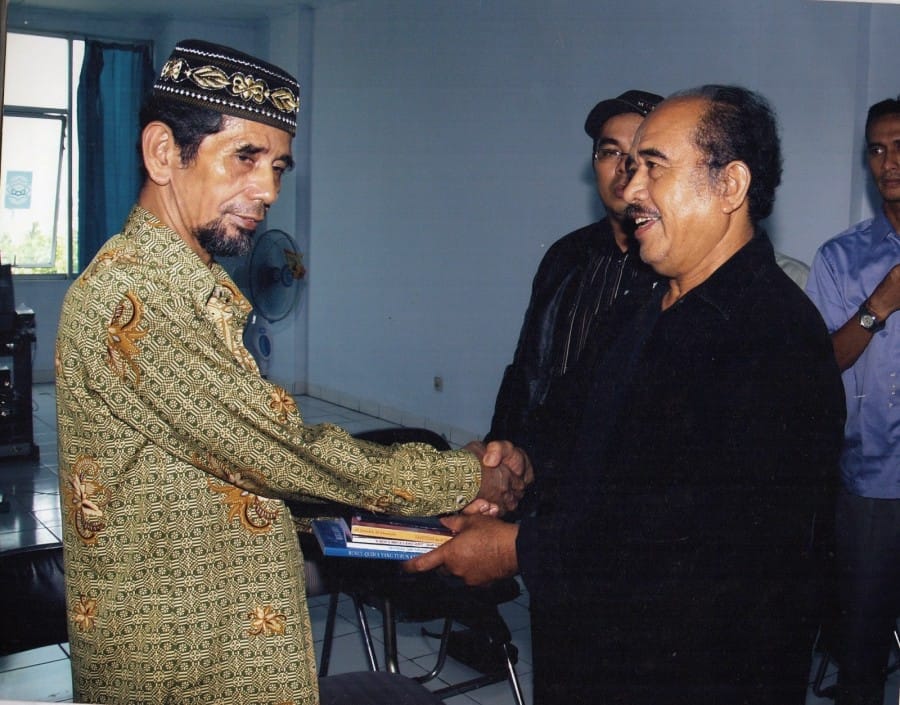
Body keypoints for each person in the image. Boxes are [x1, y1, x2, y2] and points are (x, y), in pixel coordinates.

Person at [55, 39, 531, 705]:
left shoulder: (191, 291)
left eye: (278, 166)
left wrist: (425, 517)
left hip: (230, 651)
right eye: (245, 157)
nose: (269, 191)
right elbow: (282, 455)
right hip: (183, 673)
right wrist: (465, 476)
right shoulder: (132, 302)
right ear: (162, 152)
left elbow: (236, 486)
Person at [408, 85, 846, 704]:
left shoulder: (777, 336)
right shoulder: (640, 306)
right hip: (590, 653)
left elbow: (707, 537)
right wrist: (522, 462)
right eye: (629, 165)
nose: (630, 187)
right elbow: (574, 424)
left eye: (654, 166)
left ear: (729, 185)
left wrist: (519, 550)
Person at [486, 89, 663, 510]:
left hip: (615, 492)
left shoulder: (670, 270)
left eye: (642, 155)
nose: (624, 167)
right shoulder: (566, 256)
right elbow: (526, 369)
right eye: (610, 152)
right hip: (537, 470)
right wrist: (500, 461)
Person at [805, 95, 900, 705]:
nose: (890, 162)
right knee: (862, 653)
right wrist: (879, 305)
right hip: (874, 480)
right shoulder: (842, 258)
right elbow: (818, 367)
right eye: (877, 149)